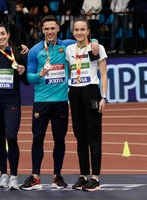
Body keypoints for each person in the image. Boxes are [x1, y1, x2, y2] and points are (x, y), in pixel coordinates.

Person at [20, 15, 99, 191]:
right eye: (46, 29)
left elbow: (84, 38)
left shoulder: (67, 46)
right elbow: (29, 77)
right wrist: (39, 74)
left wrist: (94, 40)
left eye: (52, 28)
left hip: (61, 102)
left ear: (58, 29)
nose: (50, 32)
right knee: (37, 139)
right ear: (42, 30)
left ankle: (57, 176)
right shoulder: (35, 51)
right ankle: (35, 176)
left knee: (60, 140)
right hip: (41, 102)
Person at [66, 17, 107, 192]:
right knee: (79, 136)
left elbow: (103, 74)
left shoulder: (97, 48)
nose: (79, 33)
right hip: (74, 92)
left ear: (89, 31)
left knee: (93, 136)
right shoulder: (68, 49)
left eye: (83, 29)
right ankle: (83, 175)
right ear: (72, 32)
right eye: (76, 30)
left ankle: (95, 177)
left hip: (91, 91)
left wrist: (103, 97)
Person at [0, 24, 29, 190]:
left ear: (8, 34)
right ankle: (3, 174)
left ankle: (14, 176)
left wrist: (22, 72)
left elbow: (26, 81)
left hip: (12, 101)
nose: (0, 37)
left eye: (2, 34)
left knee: (11, 136)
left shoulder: (19, 53)